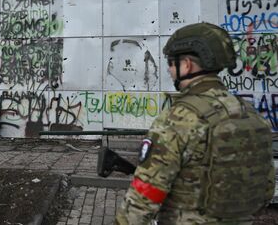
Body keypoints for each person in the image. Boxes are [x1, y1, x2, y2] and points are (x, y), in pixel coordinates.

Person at [116, 22, 274, 224]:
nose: (170, 71)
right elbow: (266, 188)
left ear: (187, 65)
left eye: (172, 64)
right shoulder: (251, 114)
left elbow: (145, 196)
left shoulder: (177, 119)